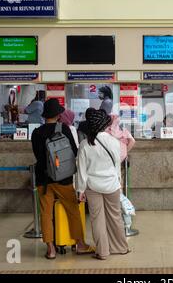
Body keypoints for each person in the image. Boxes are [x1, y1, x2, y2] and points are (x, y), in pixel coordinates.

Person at [31, 98, 94, 259]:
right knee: (73, 209)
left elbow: (38, 156)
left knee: (45, 214)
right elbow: (74, 150)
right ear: (59, 115)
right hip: (63, 178)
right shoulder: (64, 128)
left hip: (43, 180)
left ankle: (51, 249)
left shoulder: (36, 132)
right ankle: (80, 244)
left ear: (45, 115)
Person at [76, 108, 130, 260]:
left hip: (92, 187)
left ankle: (103, 252)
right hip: (112, 185)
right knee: (115, 217)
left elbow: (81, 170)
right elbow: (117, 165)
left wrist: (80, 190)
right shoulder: (114, 142)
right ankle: (121, 248)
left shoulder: (84, 144)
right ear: (104, 125)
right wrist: (118, 181)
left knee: (96, 219)